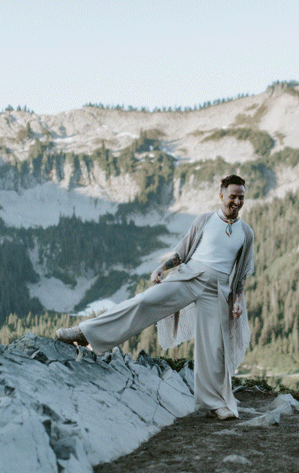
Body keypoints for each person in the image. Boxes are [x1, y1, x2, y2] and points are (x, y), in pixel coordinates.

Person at [56, 174, 255, 420]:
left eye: (241, 197)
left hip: (218, 291)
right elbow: (182, 251)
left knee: (214, 346)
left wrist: (237, 301)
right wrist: (162, 268)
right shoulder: (204, 221)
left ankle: (215, 404)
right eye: (233, 196)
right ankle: (86, 333)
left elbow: (243, 272)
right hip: (189, 276)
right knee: (145, 301)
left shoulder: (245, 232)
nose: (236, 201)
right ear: (221, 195)